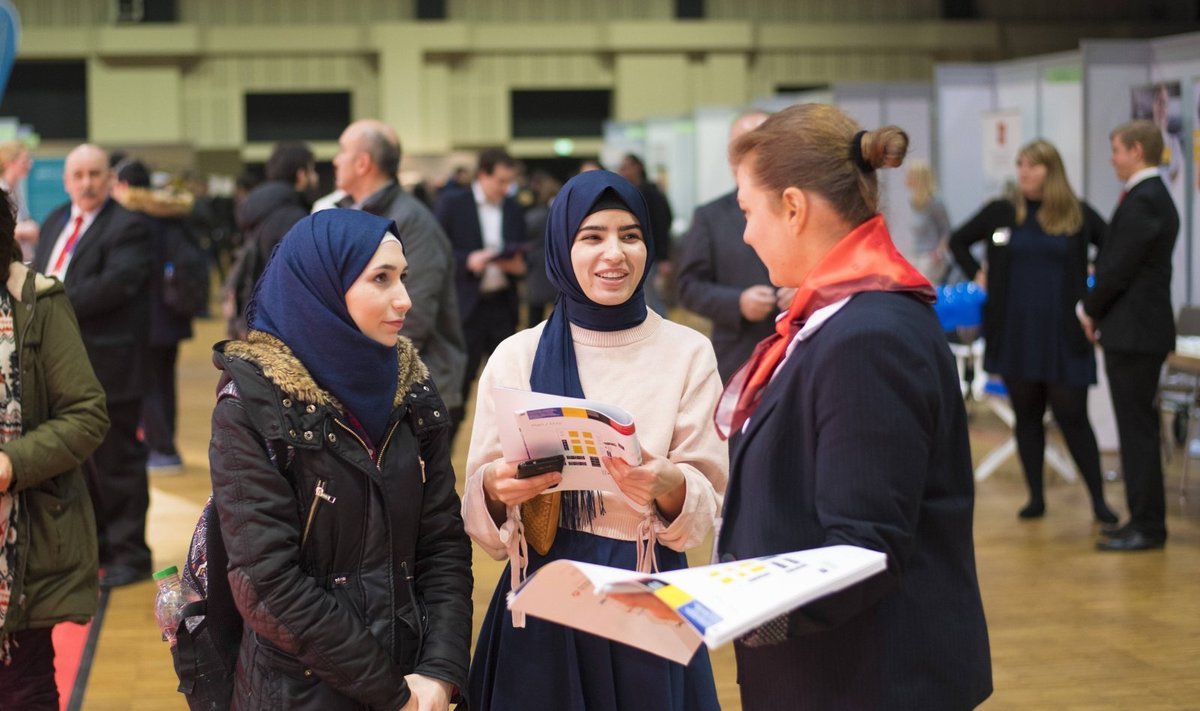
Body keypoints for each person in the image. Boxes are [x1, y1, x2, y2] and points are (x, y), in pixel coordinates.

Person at [715, 104, 992, 710]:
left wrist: (732, 609)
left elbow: (861, 549)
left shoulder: (869, 335)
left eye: (746, 210)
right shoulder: (843, 316)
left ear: (793, 207)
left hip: (867, 680)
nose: (745, 233)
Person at [461, 170, 726, 711]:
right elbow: (477, 508)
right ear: (562, 246)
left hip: (646, 589)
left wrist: (671, 484)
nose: (615, 254)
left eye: (631, 235)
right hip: (545, 588)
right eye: (592, 236)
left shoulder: (687, 352)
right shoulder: (518, 354)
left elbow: (709, 502)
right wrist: (495, 488)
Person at [209, 209, 472, 710]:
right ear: (322, 288)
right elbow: (267, 584)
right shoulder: (251, 404)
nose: (405, 299)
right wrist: (391, 694)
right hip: (302, 691)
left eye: (403, 277)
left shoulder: (411, 388)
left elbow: (443, 544)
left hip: (416, 680)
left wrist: (439, 671)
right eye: (381, 279)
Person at [950, 139, 1117, 525]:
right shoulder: (1003, 212)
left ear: (1051, 171)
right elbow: (958, 240)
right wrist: (978, 273)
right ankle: (1036, 497)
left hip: (1064, 334)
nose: (1024, 172)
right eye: (1021, 164)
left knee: (1072, 415)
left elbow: (1114, 248)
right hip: (1015, 331)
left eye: (1033, 166)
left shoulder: (1076, 214)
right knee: (1026, 415)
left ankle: (1098, 500)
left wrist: (1094, 278)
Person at [0, 188, 109, 710]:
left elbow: (87, 415)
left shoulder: (38, 304)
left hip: (22, 549)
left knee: (22, 690)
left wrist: (11, 463)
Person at [34, 143, 153, 589]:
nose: (86, 182)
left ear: (110, 179)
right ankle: (99, 544)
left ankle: (131, 554)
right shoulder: (54, 222)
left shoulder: (129, 226)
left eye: (95, 174)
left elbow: (117, 285)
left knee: (117, 461)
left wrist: (47, 301)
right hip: (60, 365)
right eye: (78, 175)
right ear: (66, 182)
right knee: (81, 464)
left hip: (110, 364)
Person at [1082, 120, 1180, 552]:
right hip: (1136, 332)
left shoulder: (1146, 201)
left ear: (1137, 151)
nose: (1112, 158)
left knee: (1137, 431)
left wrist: (1089, 307)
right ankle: (1139, 518)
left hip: (1137, 333)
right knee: (1135, 428)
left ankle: (1148, 525)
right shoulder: (1150, 198)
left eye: (1117, 150)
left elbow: (1118, 268)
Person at [333, 119, 467, 429]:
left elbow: (412, 314)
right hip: (372, 379)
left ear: (363, 163)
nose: (335, 160)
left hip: (414, 387)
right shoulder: (352, 213)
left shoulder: (412, 223)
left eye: (342, 151)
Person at [676, 111, 779, 383]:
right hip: (738, 354)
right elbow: (689, 287)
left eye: (759, 144)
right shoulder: (711, 216)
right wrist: (737, 302)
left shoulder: (800, 206)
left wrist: (805, 292)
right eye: (741, 146)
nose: (750, 155)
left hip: (797, 349)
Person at [111, 159, 196, 473]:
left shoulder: (131, 219)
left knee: (147, 385)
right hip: (174, 311)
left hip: (146, 316)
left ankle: (161, 449)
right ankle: (166, 444)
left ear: (123, 186)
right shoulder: (171, 214)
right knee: (165, 382)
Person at [435, 148, 526, 435]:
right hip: (467, 307)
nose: (505, 188)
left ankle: (514, 449)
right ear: (483, 175)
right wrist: (468, 261)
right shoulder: (453, 202)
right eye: (500, 181)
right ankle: (442, 455)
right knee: (460, 385)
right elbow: (438, 250)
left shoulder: (513, 207)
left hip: (502, 304)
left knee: (511, 385)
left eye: (509, 182)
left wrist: (519, 265)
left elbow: (524, 250)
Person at [224, 141, 316, 339]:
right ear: (301, 175)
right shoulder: (293, 216)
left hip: (253, 315)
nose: (315, 178)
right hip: (279, 325)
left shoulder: (258, 209)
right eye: (312, 170)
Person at [617, 153, 674, 316]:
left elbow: (663, 223)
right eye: (621, 168)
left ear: (638, 167)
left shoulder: (651, 192)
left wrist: (663, 257)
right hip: (633, 253)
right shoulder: (626, 192)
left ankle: (662, 333)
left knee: (652, 299)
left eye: (627, 167)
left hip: (652, 255)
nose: (623, 171)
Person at [905, 160, 952, 283]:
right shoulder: (912, 203)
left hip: (930, 257)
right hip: (916, 255)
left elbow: (946, 229)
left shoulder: (934, 203)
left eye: (910, 175)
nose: (906, 178)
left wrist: (939, 252)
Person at [0, 140, 37, 261]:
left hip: (22, 259)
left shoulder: (17, 190)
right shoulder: (2, 190)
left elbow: (24, 219)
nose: (29, 164)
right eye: (25, 160)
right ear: (9, 162)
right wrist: (24, 230)